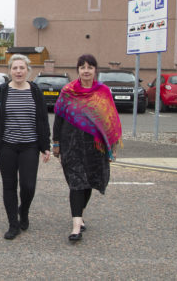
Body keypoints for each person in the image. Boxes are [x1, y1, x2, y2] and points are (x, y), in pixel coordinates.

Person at [52, 54, 122, 242]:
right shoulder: (68, 91)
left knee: (88, 182)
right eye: (82, 67)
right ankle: (76, 226)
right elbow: (59, 118)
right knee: (76, 183)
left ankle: (80, 216)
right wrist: (56, 143)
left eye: (90, 67)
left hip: (94, 146)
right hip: (71, 144)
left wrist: (111, 147)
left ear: (95, 70)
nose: (86, 71)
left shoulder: (103, 92)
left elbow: (110, 120)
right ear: (78, 70)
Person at [0, 54, 51, 240]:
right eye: (15, 68)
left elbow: (43, 120)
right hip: (6, 146)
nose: (18, 71)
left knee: (28, 186)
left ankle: (24, 210)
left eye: (22, 68)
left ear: (28, 70)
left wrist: (45, 146)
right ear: (10, 70)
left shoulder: (35, 91)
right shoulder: (1, 91)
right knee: (9, 186)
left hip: (30, 145)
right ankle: (13, 224)